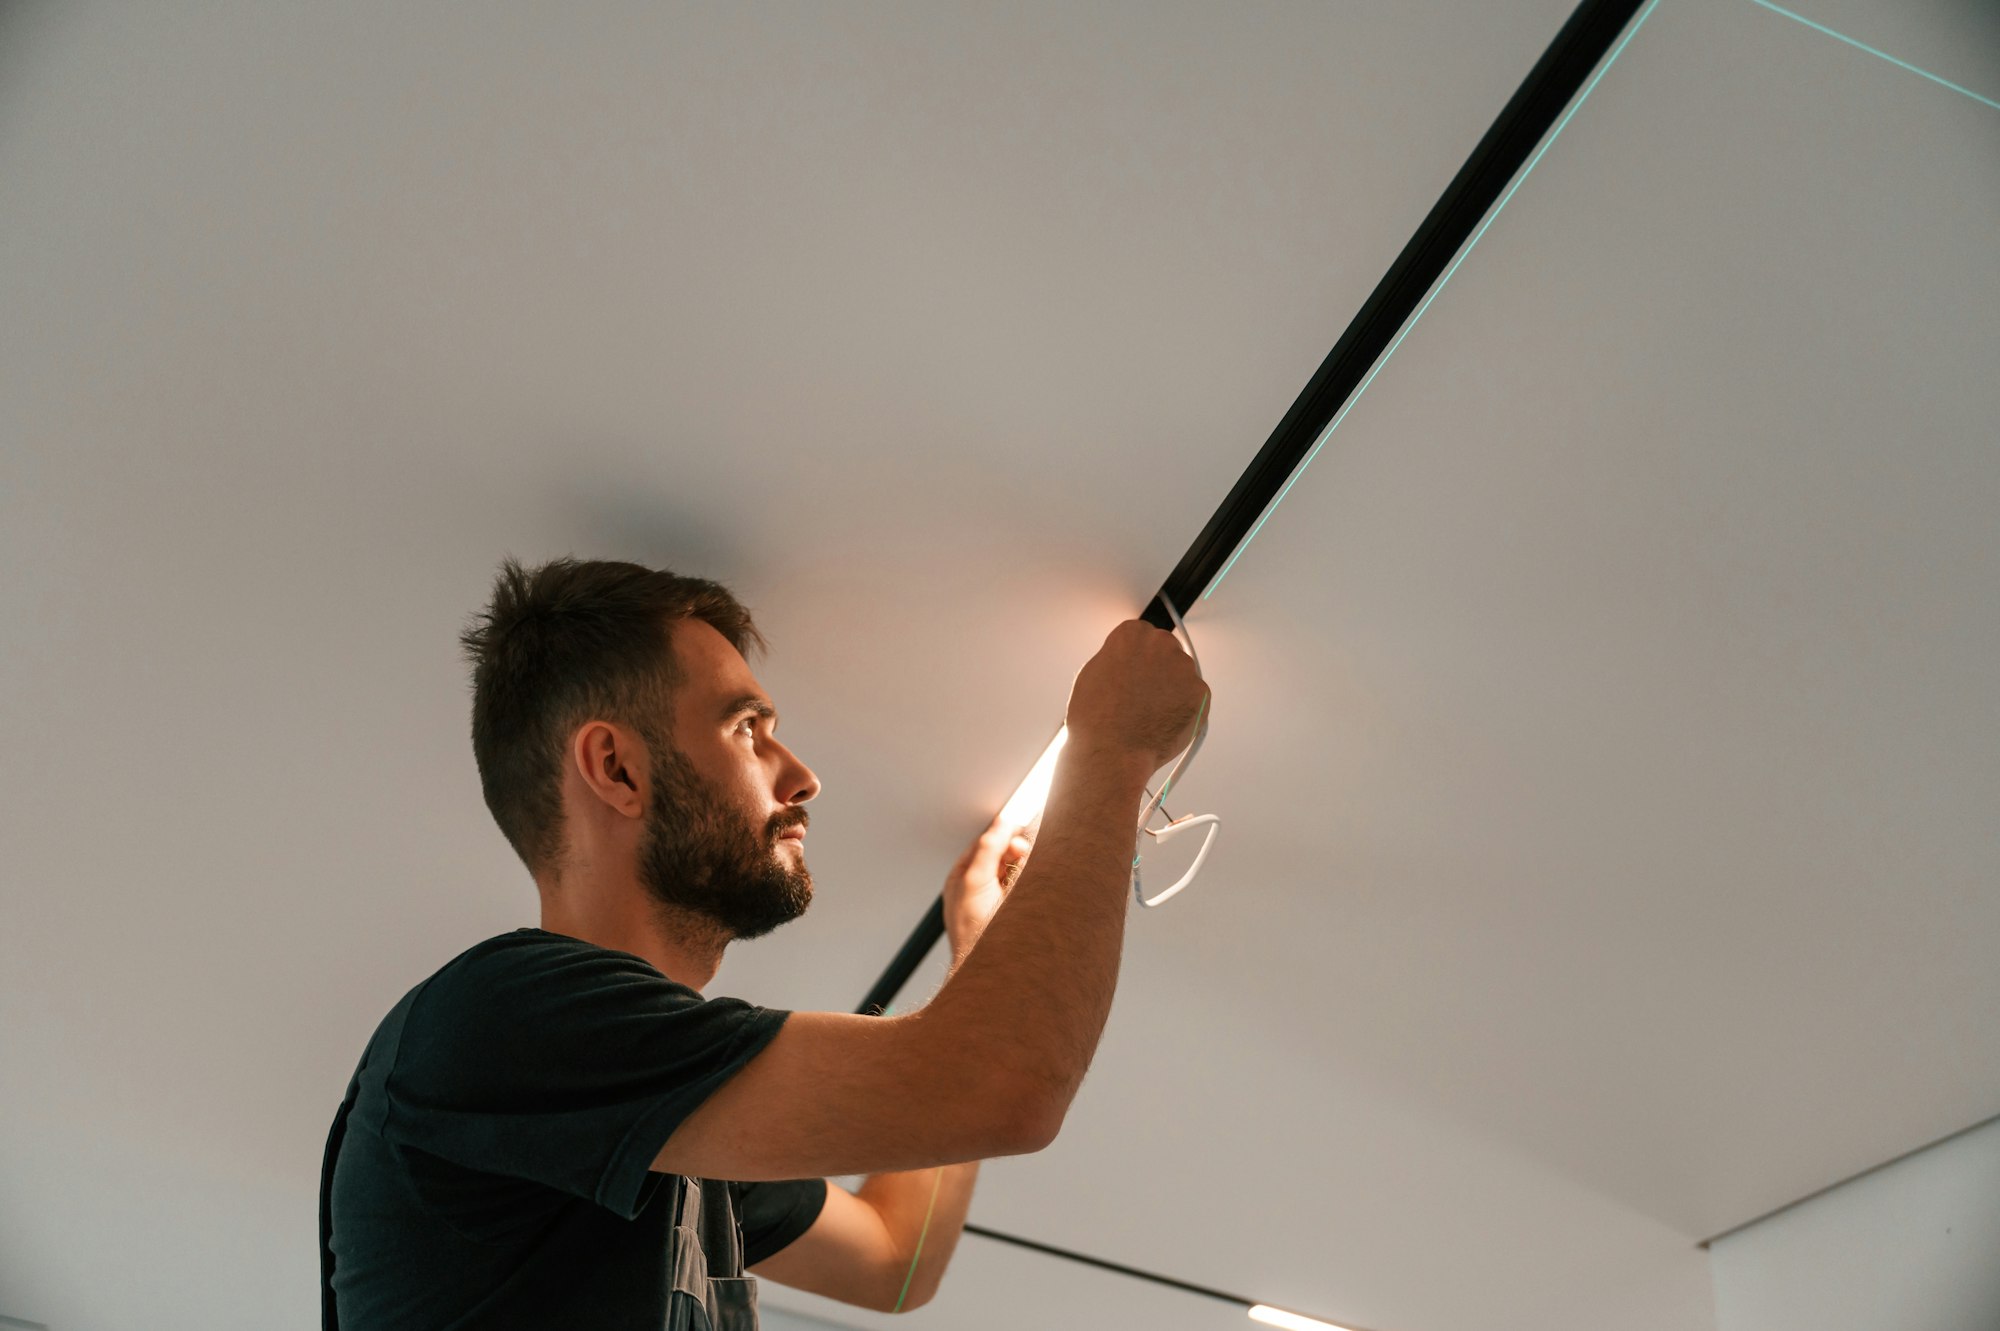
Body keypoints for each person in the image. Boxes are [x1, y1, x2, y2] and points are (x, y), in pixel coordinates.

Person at [319, 555, 1210, 1329]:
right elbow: (1001, 1088)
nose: (803, 776)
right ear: (617, 769)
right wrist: (1110, 750)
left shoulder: (664, 1128)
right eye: (749, 728)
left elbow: (895, 1260)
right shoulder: (502, 1022)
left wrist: (974, 946)